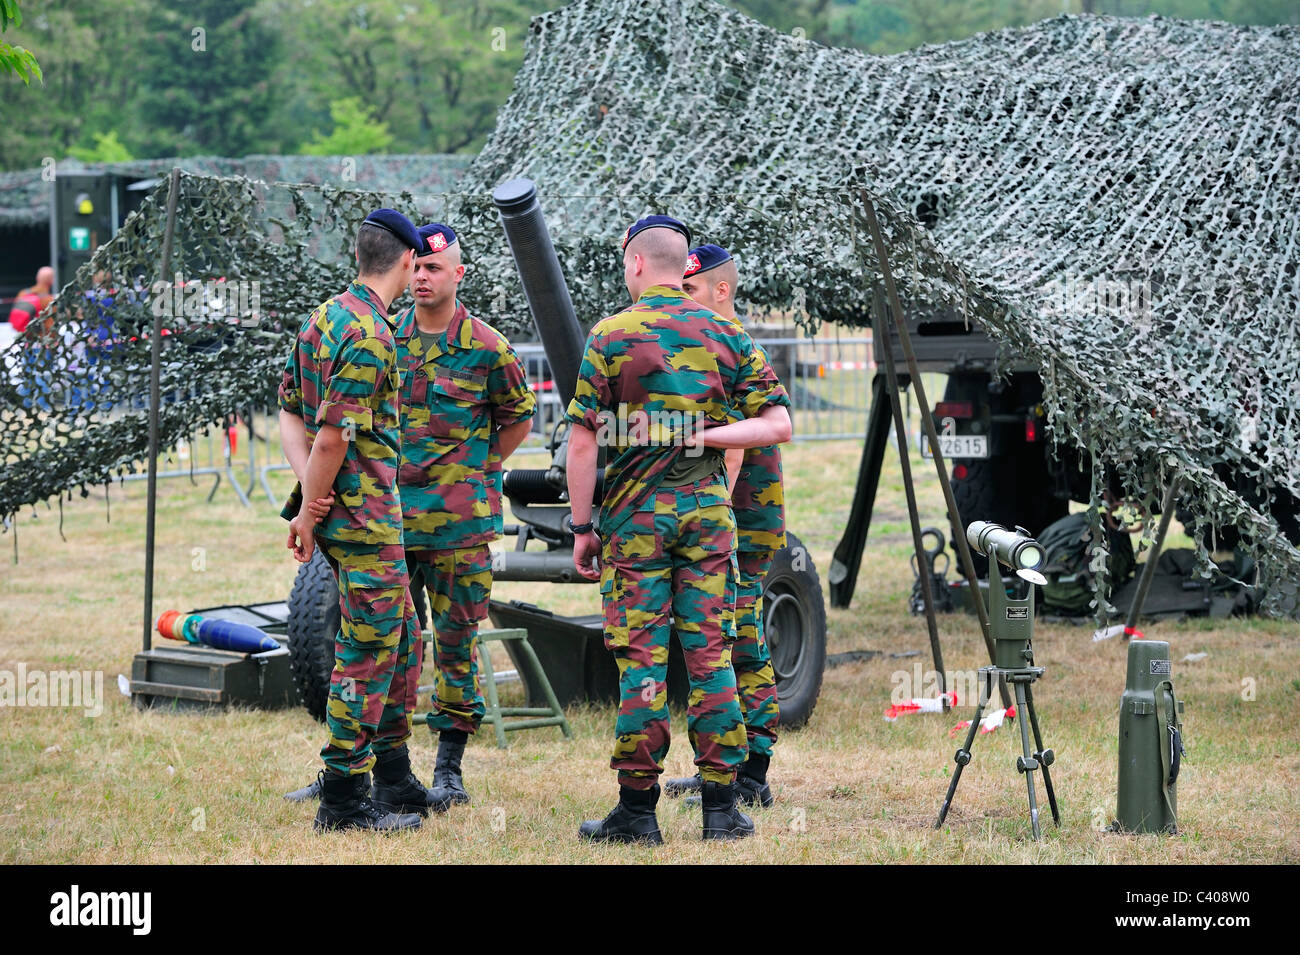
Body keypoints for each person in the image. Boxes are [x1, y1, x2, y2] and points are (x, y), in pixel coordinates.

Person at [565, 215, 792, 844]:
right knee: (711, 652)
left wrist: (583, 526)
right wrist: (709, 436)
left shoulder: (611, 335)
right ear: (681, 265)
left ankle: (636, 814)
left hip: (636, 522)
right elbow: (776, 425)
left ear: (636, 264)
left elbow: (583, 443)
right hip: (708, 517)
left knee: (642, 660)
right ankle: (723, 808)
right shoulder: (724, 331)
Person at [277, 208, 429, 833]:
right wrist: (311, 508)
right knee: (367, 651)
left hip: (352, 514)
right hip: (362, 517)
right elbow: (335, 437)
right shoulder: (368, 334)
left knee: (403, 639)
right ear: (407, 262)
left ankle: (391, 772)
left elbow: (291, 413)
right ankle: (344, 797)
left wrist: (311, 496)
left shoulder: (325, 316)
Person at [392, 222, 536, 808]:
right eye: (416, 268)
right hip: (392, 523)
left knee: (455, 644)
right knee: (395, 643)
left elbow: (518, 416)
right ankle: (388, 768)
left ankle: (449, 768)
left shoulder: (486, 345)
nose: (422, 278)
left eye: (434, 268)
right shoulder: (385, 337)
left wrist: (477, 468)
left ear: (458, 274)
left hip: (460, 526)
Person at [668, 243, 785, 808]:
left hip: (738, 520)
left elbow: (731, 456)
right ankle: (721, 765)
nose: (678, 298)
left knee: (740, 642)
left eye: (688, 289)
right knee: (715, 639)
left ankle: (752, 772)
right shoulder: (705, 345)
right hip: (722, 520)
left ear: (720, 291)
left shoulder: (728, 350)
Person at [7, 266, 54, 334]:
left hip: (22, 336)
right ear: (52, 280)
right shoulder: (49, 299)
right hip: (39, 338)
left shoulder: (22, 293)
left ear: (37, 278)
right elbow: (50, 325)